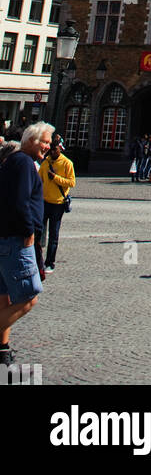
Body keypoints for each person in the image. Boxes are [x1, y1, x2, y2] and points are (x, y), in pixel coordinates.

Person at [0, 120, 53, 366]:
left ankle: (2, 352)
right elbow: (20, 201)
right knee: (28, 297)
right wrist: (29, 231)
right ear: (32, 140)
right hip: (16, 239)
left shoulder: (14, 161)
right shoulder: (22, 162)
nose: (49, 147)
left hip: (5, 237)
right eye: (45, 142)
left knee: (4, 298)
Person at [38, 138, 75, 272]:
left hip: (58, 203)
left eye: (55, 149)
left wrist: (55, 178)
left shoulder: (67, 163)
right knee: (38, 233)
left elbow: (71, 182)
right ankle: (38, 261)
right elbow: (38, 180)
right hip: (44, 202)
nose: (52, 152)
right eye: (51, 149)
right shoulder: (45, 163)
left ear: (60, 149)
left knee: (53, 235)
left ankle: (50, 263)